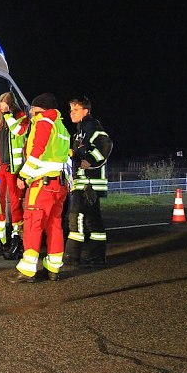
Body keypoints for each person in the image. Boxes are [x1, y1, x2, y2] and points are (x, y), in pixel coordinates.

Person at [8, 93, 70, 283]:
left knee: (33, 225)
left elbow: (36, 152)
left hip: (42, 184)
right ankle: (53, 269)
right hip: (59, 184)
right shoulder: (61, 126)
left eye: (32, 109)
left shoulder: (43, 122)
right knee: (54, 225)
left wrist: (23, 175)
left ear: (37, 109)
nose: (30, 113)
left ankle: (27, 271)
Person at [65, 96, 114, 266]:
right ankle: (91, 255)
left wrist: (91, 160)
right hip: (82, 182)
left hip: (90, 183)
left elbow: (105, 144)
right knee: (88, 219)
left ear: (86, 111)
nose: (72, 113)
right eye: (71, 110)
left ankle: (75, 255)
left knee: (79, 217)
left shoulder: (92, 127)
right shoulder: (80, 131)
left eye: (76, 109)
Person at [0, 92, 29, 260]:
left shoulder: (20, 116)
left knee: (15, 203)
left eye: (3, 103)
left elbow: (18, 131)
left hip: (14, 167)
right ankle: (0, 240)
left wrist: (8, 113)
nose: (1, 106)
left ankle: (18, 240)